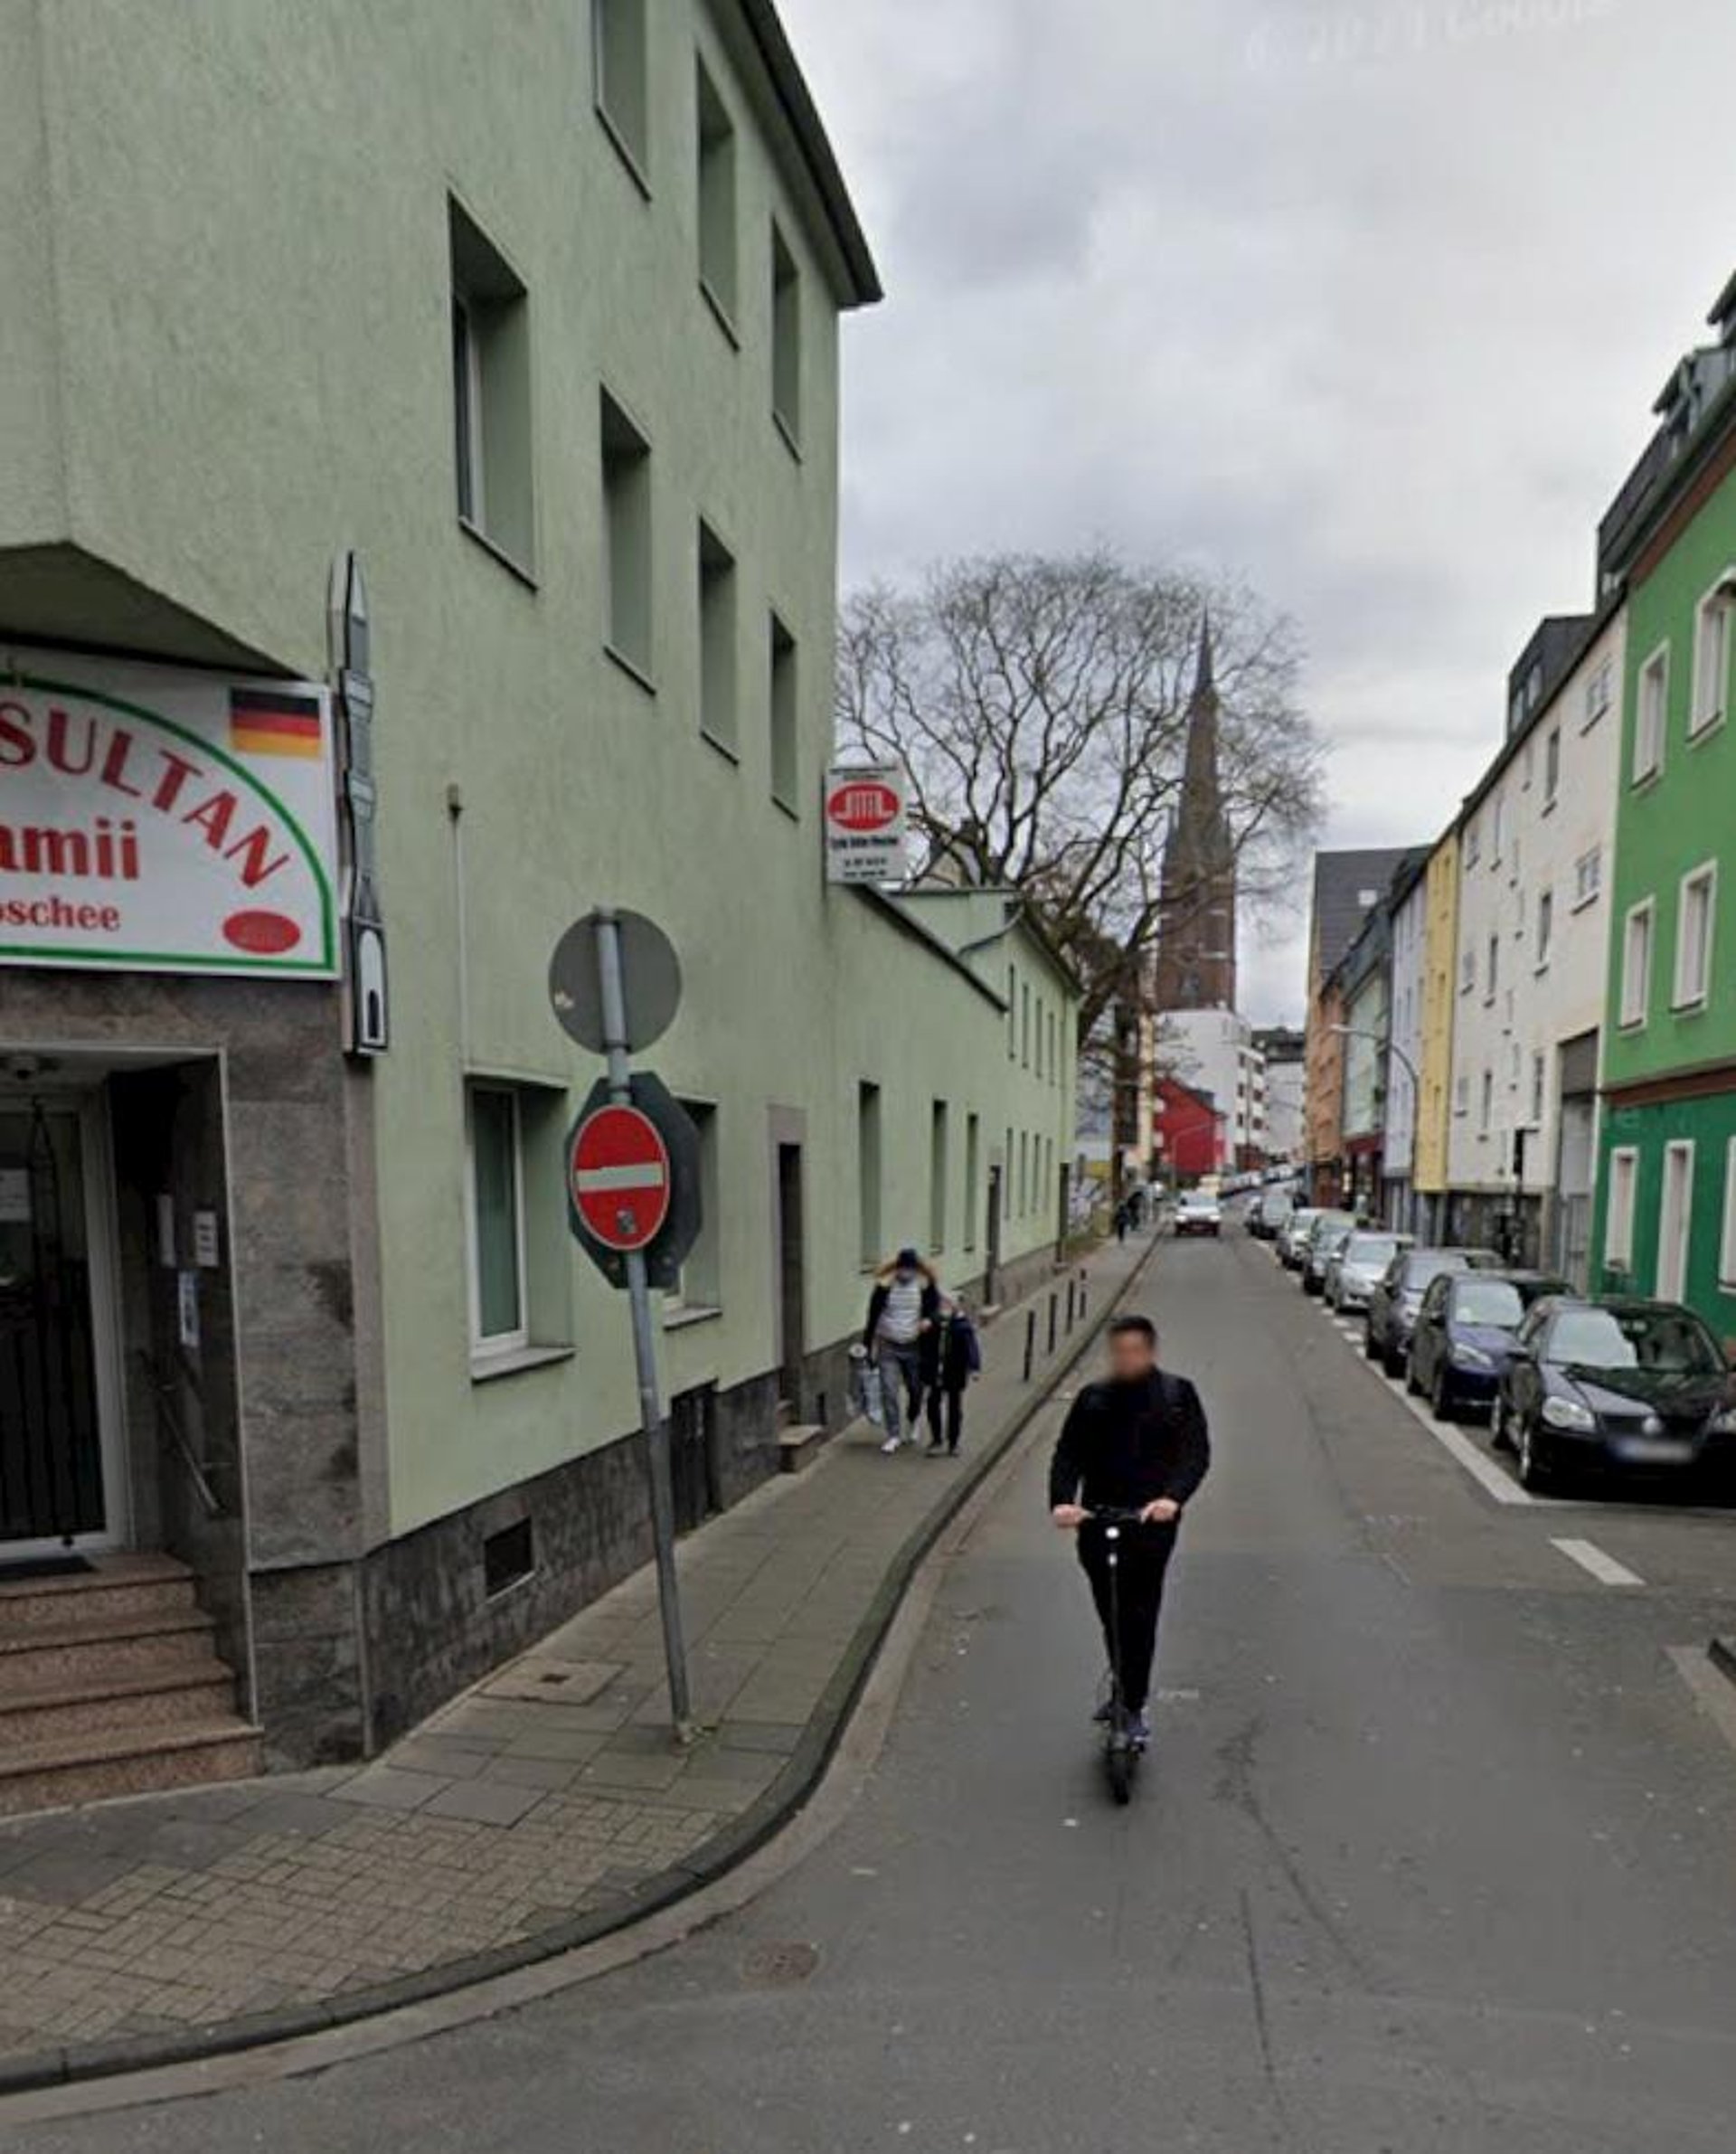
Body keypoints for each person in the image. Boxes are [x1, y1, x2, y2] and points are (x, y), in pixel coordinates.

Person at [1048, 1312, 1210, 1747]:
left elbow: (1195, 1454)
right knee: (1111, 1612)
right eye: (1120, 1352)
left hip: (1150, 1525)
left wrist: (1172, 1499)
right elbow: (1068, 1455)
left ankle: (1133, 1703)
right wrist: (1063, 1501)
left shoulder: (1176, 1396)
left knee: (1140, 1612)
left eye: (1136, 1351)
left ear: (1151, 1351)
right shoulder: (1093, 1400)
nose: (1128, 1359)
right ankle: (1124, 1687)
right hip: (1099, 1520)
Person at [863, 1248, 939, 1454]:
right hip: (889, 1345)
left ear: (916, 1270)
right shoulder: (884, 1288)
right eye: (903, 1268)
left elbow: (934, 1310)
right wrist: (868, 1345)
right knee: (889, 1390)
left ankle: (913, 1419)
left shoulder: (924, 1287)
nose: (906, 1273)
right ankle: (894, 1434)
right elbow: (872, 1317)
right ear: (897, 1268)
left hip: (914, 1346)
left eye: (910, 1269)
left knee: (916, 1389)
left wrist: (928, 1320)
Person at [922, 1294, 982, 1456]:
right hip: (936, 1371)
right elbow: (924, 1343)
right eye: (943, 1303)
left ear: (957, 1307)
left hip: (955, 1370)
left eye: (948, 1304)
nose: (945, 1307)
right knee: (933, 1403)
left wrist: (974, 1367)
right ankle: (936, 1439)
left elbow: (972, 1347)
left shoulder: (962, 1326)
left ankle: (953, 1442)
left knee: (954, 1406)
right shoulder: (935, 1322)